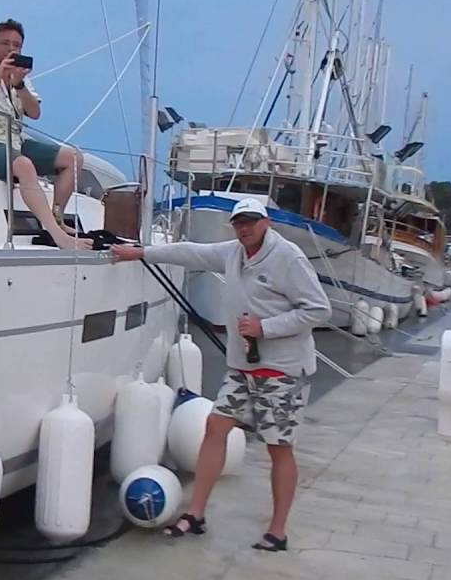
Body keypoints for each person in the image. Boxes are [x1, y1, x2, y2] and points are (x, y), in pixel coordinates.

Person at [110, 198, 331, 551]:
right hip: (243, 365)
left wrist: (266, 327)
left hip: (282, 369)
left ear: (266, 222)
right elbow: (191, 252)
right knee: (215, 427)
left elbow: (319, 309)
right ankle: (196, 514)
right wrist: (141, 253)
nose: (245, 228)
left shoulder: (289, 258)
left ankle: (278, 530)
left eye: (251, 222)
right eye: (239, 223)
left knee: (279, 446)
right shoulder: (233, 252)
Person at [0, 19, 91, 251]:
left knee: (74, 158)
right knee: (25, 165)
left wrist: (18, 85)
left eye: (17, 45)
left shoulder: (21, 79)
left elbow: (34, 112)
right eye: (5, 43)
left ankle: (56, 216)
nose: (11, 49)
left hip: (14, 141)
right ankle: (58, 235)